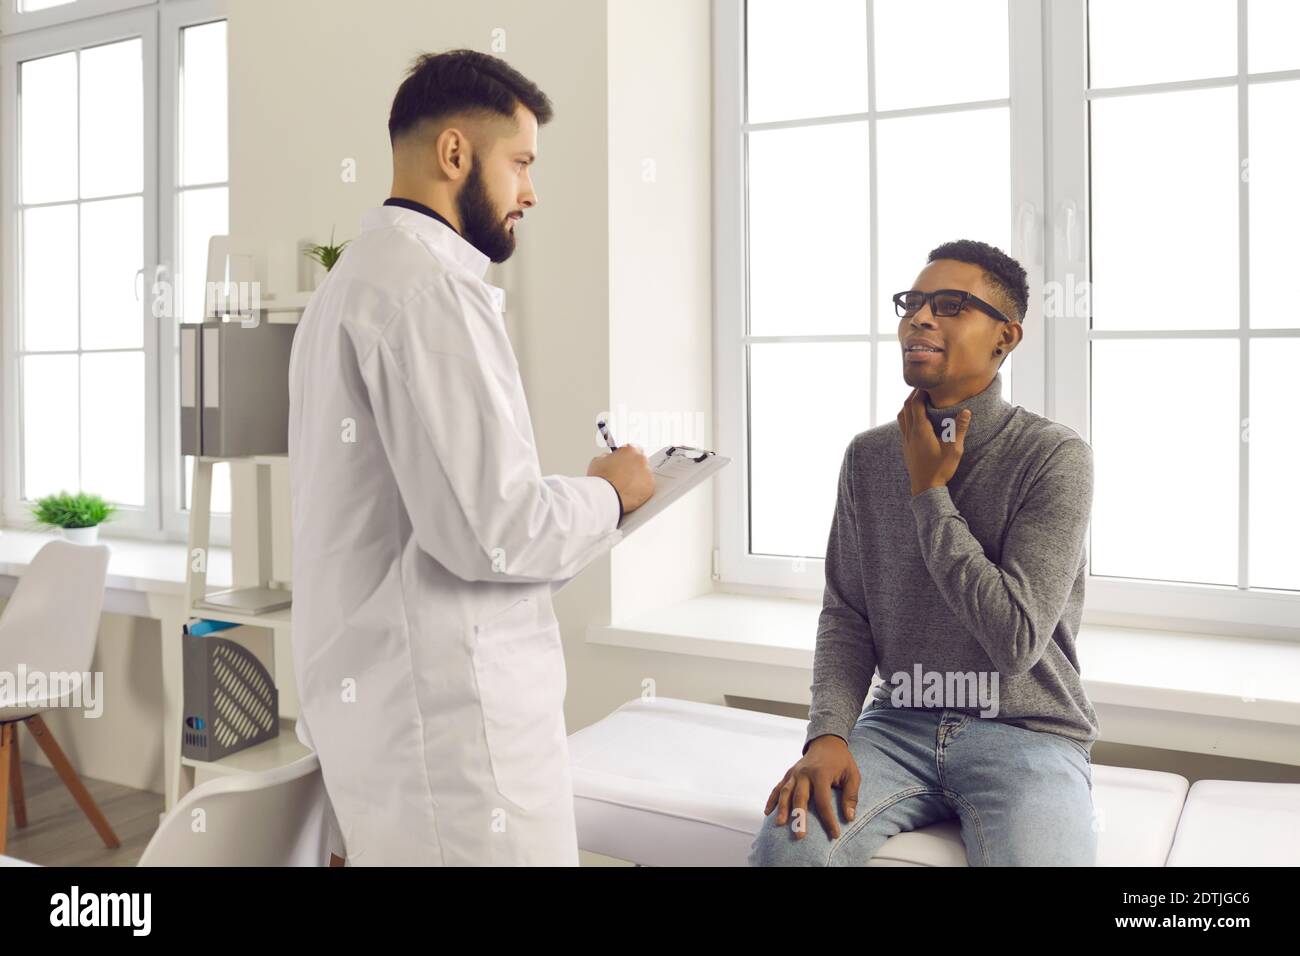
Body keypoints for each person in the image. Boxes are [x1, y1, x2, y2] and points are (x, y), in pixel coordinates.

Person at [287, 49, 654, 865]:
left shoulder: (352, 285)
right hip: (452, 738)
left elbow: (434, 516)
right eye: (520, 162)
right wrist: (614, 496)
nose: (531, 189)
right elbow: (493, 530)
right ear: (456, 154)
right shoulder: (427, 293)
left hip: (394, 716)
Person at [749, 239, 1099, 866]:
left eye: (950, 305)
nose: (920, 318)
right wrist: (828, 734)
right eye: (913, 303)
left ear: (1005, 337)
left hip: (1027, 734)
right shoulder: (868, 456)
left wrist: (929, 491)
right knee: (787, 849)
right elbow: (847, 615)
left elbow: (1016, 639)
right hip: (897, 726)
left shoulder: (1053, 457)